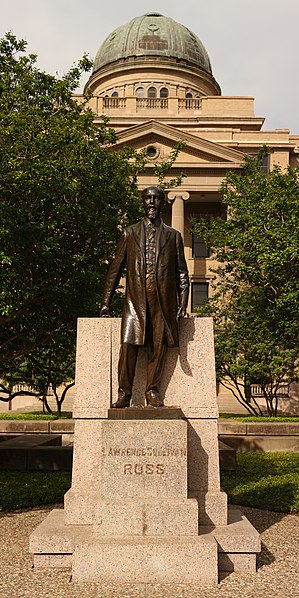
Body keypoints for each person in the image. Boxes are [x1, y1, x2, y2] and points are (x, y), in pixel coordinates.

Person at [100, 186, 189, 408]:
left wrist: (183, 303)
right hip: (134, 303)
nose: (152, 202)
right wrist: (105, 303)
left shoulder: (173, 236)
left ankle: (152, 391)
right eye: (148, 198)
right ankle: (124, 392)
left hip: (163, 304)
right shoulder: (129, 233)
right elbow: (114, 271)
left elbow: (182, 274)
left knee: (158, 348)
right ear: (143, 202)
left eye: (156, 198)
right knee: (128, 347)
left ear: (162, 203)